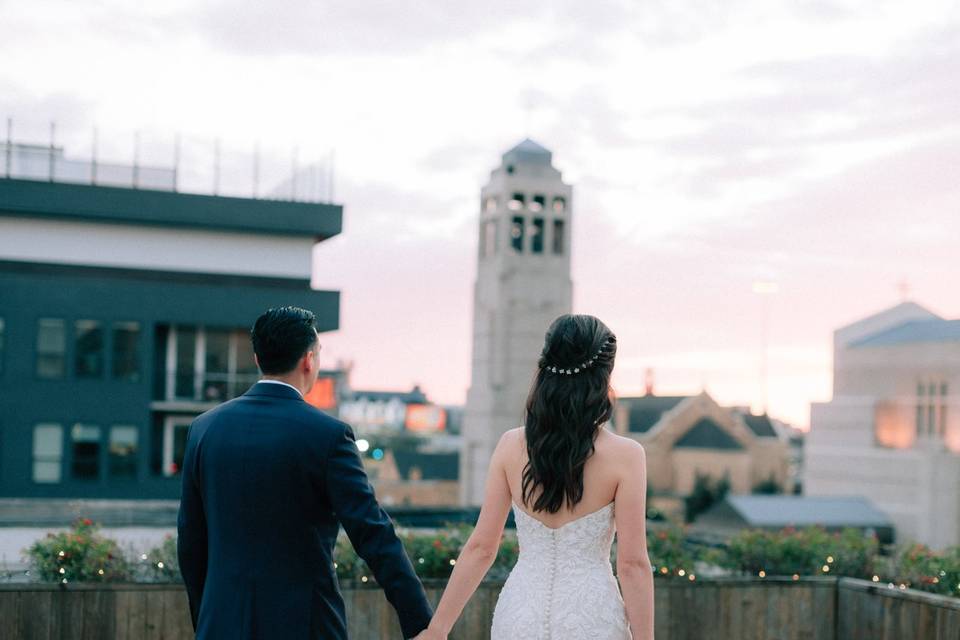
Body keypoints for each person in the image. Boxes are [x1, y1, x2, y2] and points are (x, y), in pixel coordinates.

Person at [177, 306, 432, 639]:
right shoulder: (327, 435)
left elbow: (191, 541)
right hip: (304, 625)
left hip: (220, 623)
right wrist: (422, 625)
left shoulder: (204, 429)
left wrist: (207, 618)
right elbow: (373, 535)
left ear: (257, 360)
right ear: (309, 360)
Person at [415, 314, 655, 639]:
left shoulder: (509, 446)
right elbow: (632, 565)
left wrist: (438, 630)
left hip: (520, 616)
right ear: (603, 376)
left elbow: (481, 548)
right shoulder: (627, 456)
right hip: (592, 620)